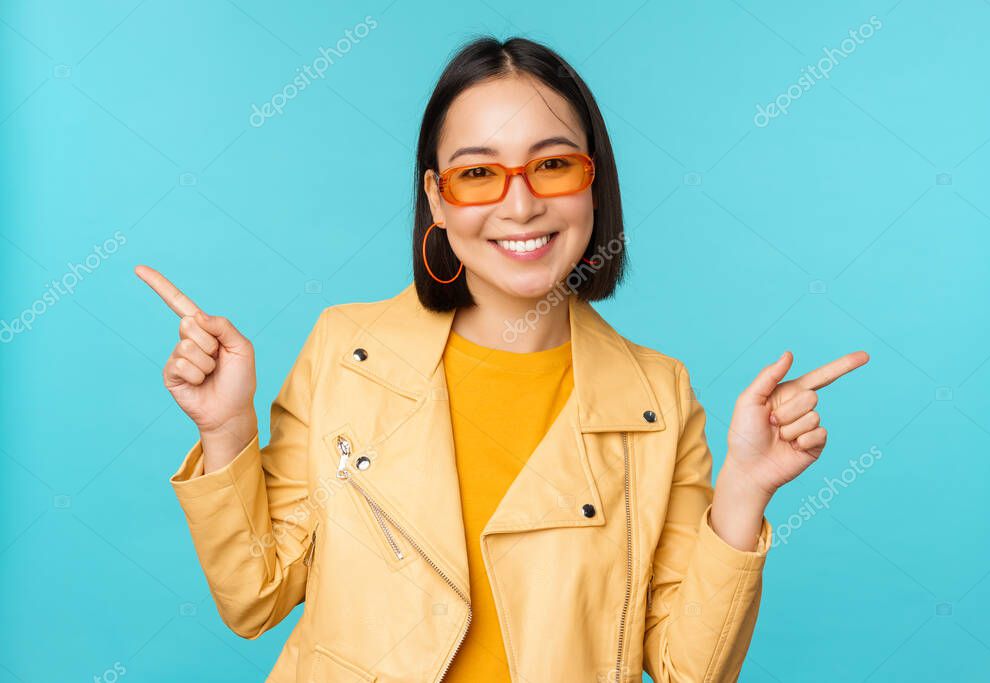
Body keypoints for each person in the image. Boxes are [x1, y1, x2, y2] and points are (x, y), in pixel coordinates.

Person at [137, 36, 868, 683]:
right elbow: (255, 596)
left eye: (551, 165)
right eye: (478, 174)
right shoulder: (346, 350)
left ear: (592, 180)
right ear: (438, 199)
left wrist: (743, 489)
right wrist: (226, 429)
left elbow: (688, 670)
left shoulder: (658, 395)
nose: (519, 206)